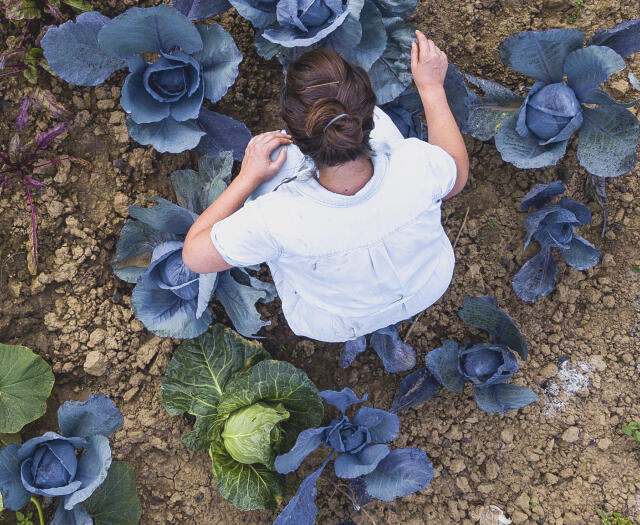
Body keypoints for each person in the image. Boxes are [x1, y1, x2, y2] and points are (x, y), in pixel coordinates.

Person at [180, 32, 468, 346]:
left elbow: (195, 256)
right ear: (367, 111)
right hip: (429, 283)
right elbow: (456, 174)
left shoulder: (277, 217)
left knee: (277, 168)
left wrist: (247, 177)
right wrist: (431, 87)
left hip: (335, 321)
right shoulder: (416, 165)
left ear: (292, 131)